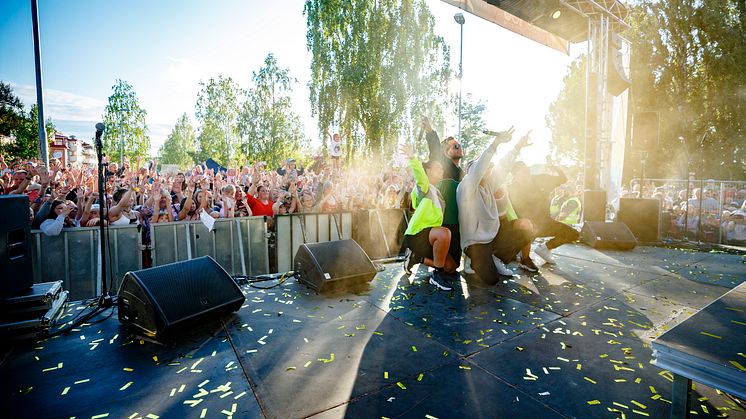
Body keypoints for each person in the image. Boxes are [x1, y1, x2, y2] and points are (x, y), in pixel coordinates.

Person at [457, 128, 533, 285]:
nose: (490, 170)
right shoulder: (466, 187)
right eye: (485, 168)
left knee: (525, 231)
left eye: (490, 168)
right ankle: (470, 258)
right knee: (492, 280)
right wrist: (495, 143)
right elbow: (478, 169)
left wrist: (517, 146)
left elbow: (503, 166)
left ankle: (496, 257)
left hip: (492, 238)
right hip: (475, 243)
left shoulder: (489, 186)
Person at [400, 144, 458, 291]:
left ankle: (416, 258)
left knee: (451, 267)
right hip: (417, 234)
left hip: (430, 238)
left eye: (441, 168)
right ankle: (437, 276)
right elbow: (419, 177)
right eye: (437, 168)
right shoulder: (424, 187)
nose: (441, 170)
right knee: (444, 233)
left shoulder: (437, 192)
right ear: (428, 171)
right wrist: (413, 158)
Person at [509, 162, 579, 265]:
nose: (526, 174)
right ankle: (520, 250)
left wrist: (557, 168)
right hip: (527, 228)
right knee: (512, 255)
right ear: (515, 176)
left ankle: (544, 248)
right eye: (522, 173)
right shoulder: (512, 189)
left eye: (527, 170)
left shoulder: (541, 179)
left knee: (574, 234)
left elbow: (563, 179)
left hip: (546, 223)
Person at [421, 116, 464, 270]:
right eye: (455, 146)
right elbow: (435, 149)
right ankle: (417, 255)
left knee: (454, 266)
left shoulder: (462, 172)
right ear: (446, 152)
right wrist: (430, 130)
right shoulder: (444, 166)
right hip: (444, 222)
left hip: (458, 222)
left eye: (459, 145)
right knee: (448, 269)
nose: (459, 147)